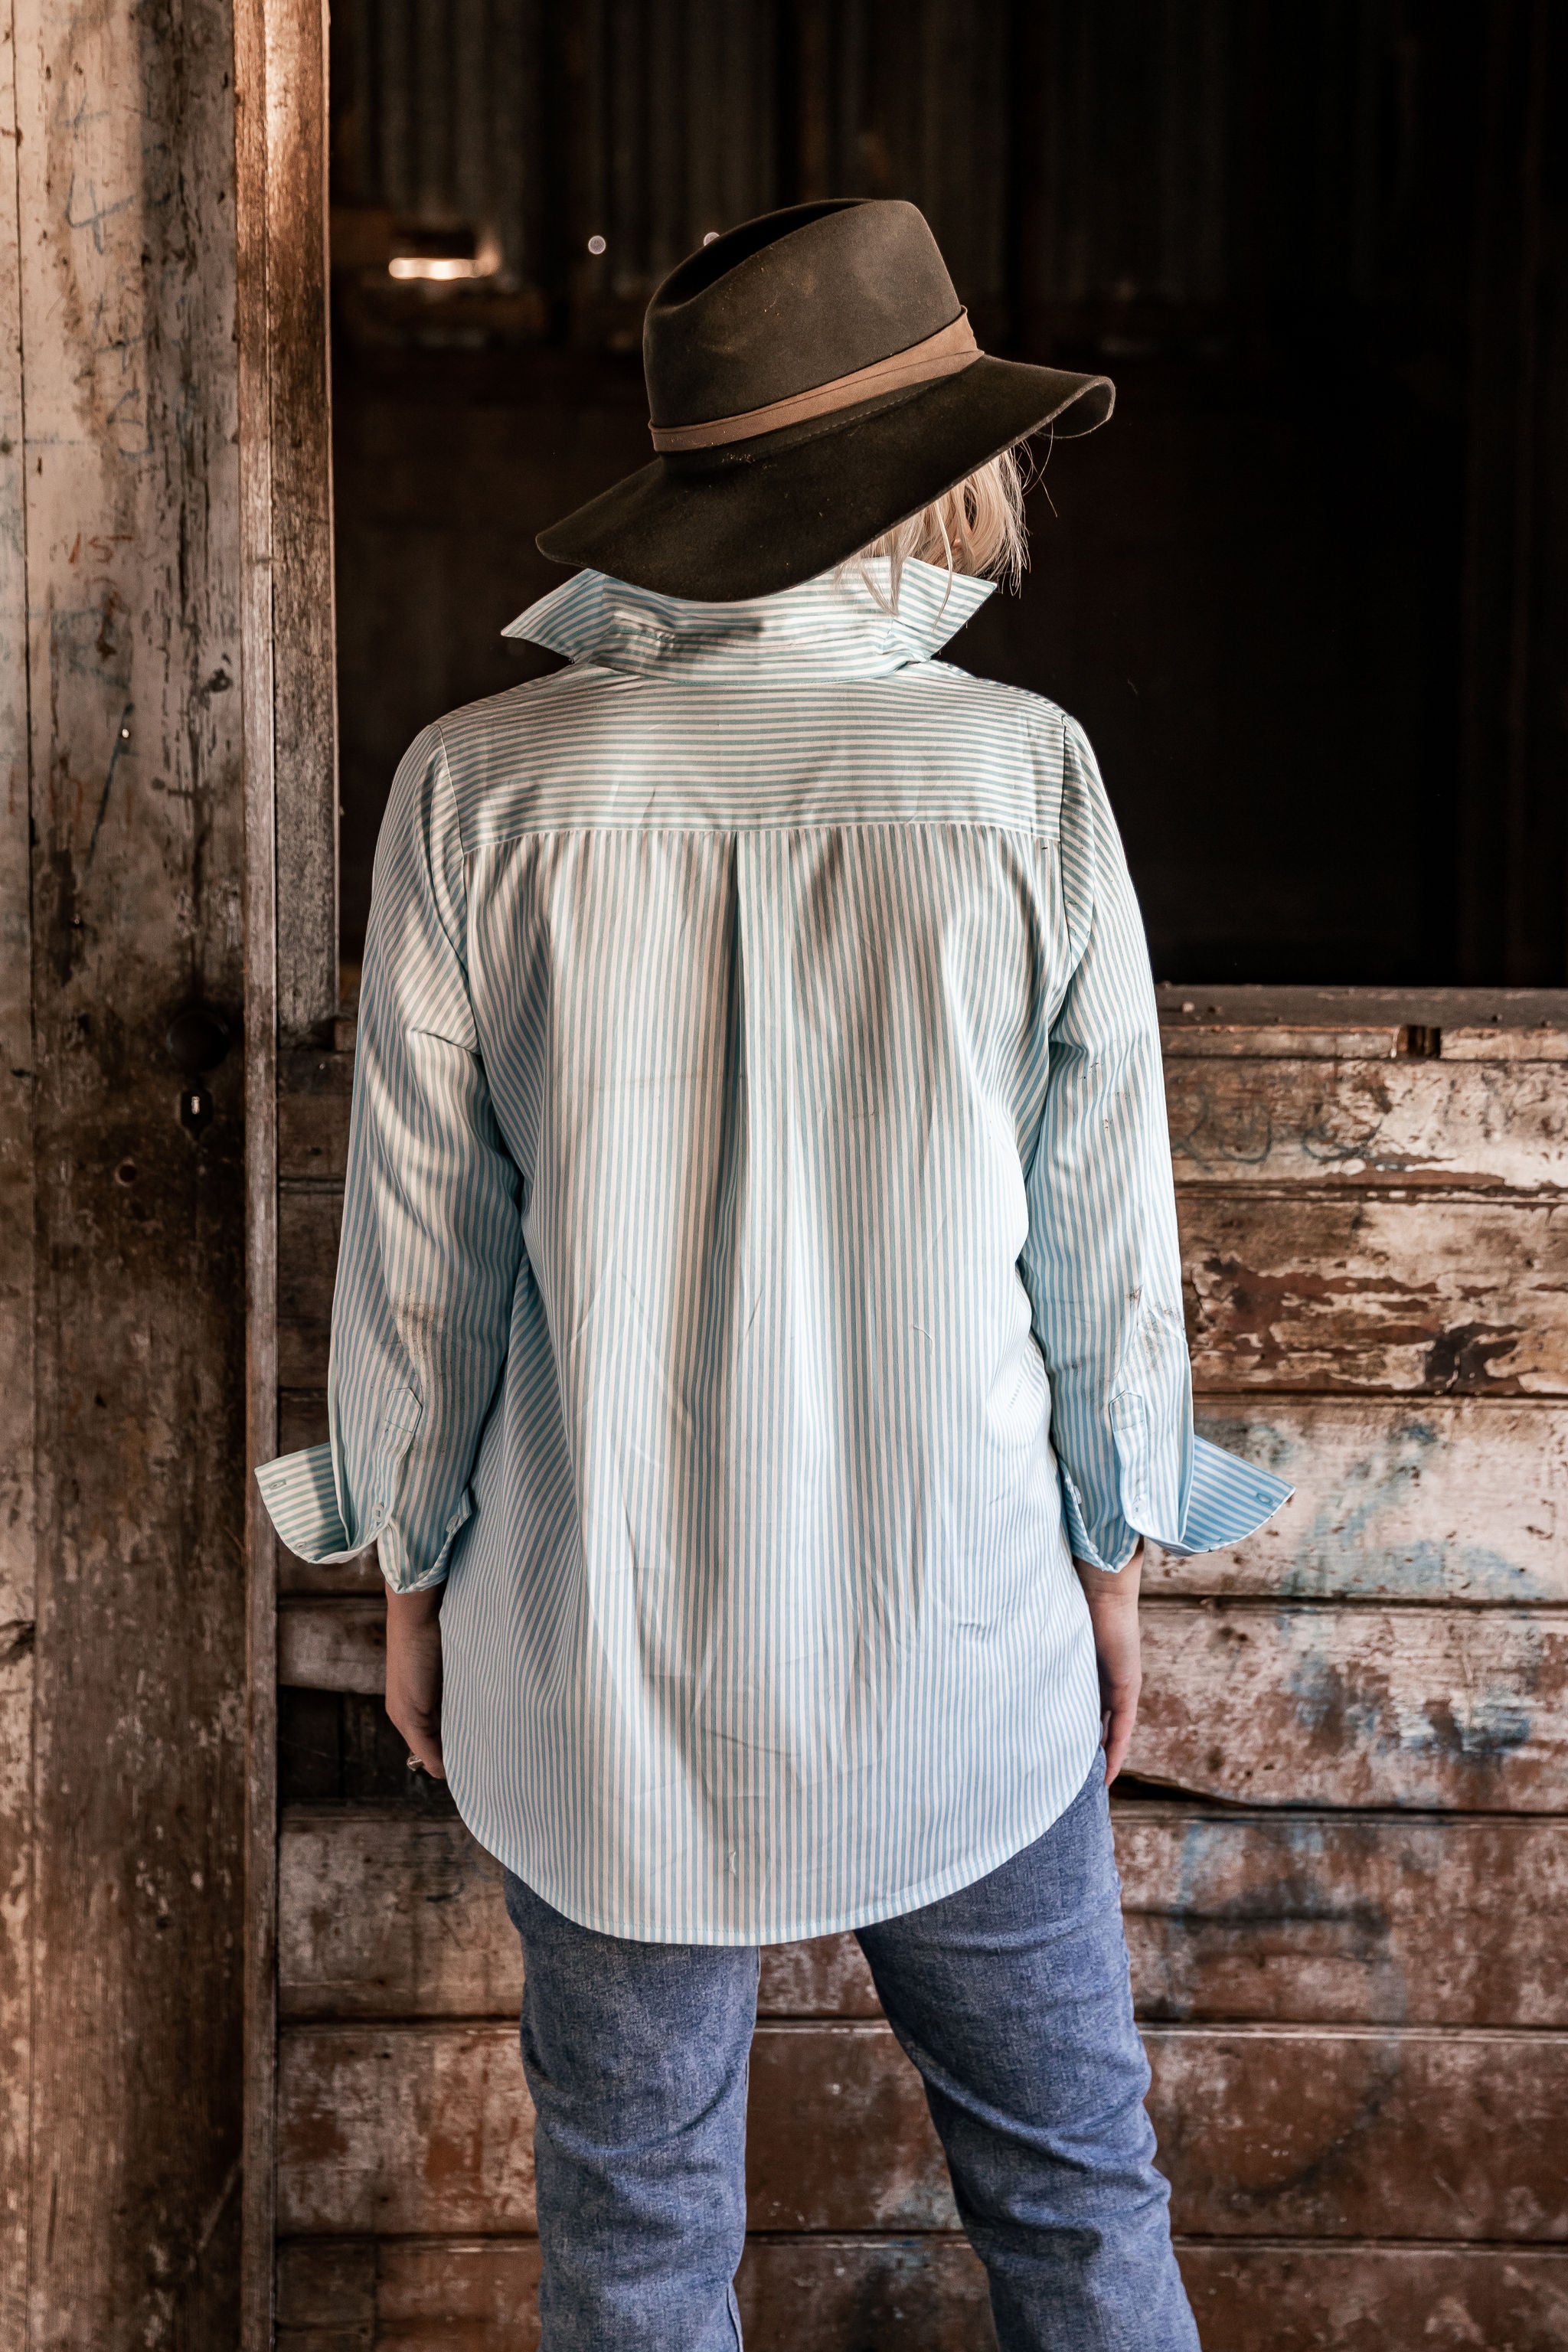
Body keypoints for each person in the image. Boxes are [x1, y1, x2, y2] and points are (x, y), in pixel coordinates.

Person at [258, 198, 1291, 2351]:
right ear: (937, 479)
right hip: (965, 1644)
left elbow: (426, 1268)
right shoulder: (1025, 784)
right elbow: (1106, 1261)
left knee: (636, 2259)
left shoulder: (475, 793)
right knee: (1084, 2208)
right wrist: (1110, 1565)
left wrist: (417, 1578)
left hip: (606, 1666)